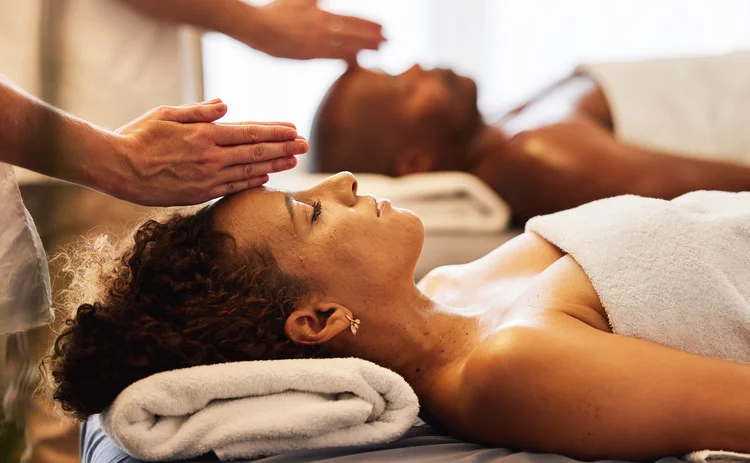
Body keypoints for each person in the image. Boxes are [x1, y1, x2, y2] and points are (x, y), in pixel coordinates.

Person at [46, 172, 750, 461]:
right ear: (319, 318)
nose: (344, 181)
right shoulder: (510, 369)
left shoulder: (452, 283)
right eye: (312, 212)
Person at [309, 52, 750, 221]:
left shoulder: (507, 128)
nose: (419, 67)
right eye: (402, 87)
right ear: (415, 163)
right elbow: (723, 192)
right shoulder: (534, 159)